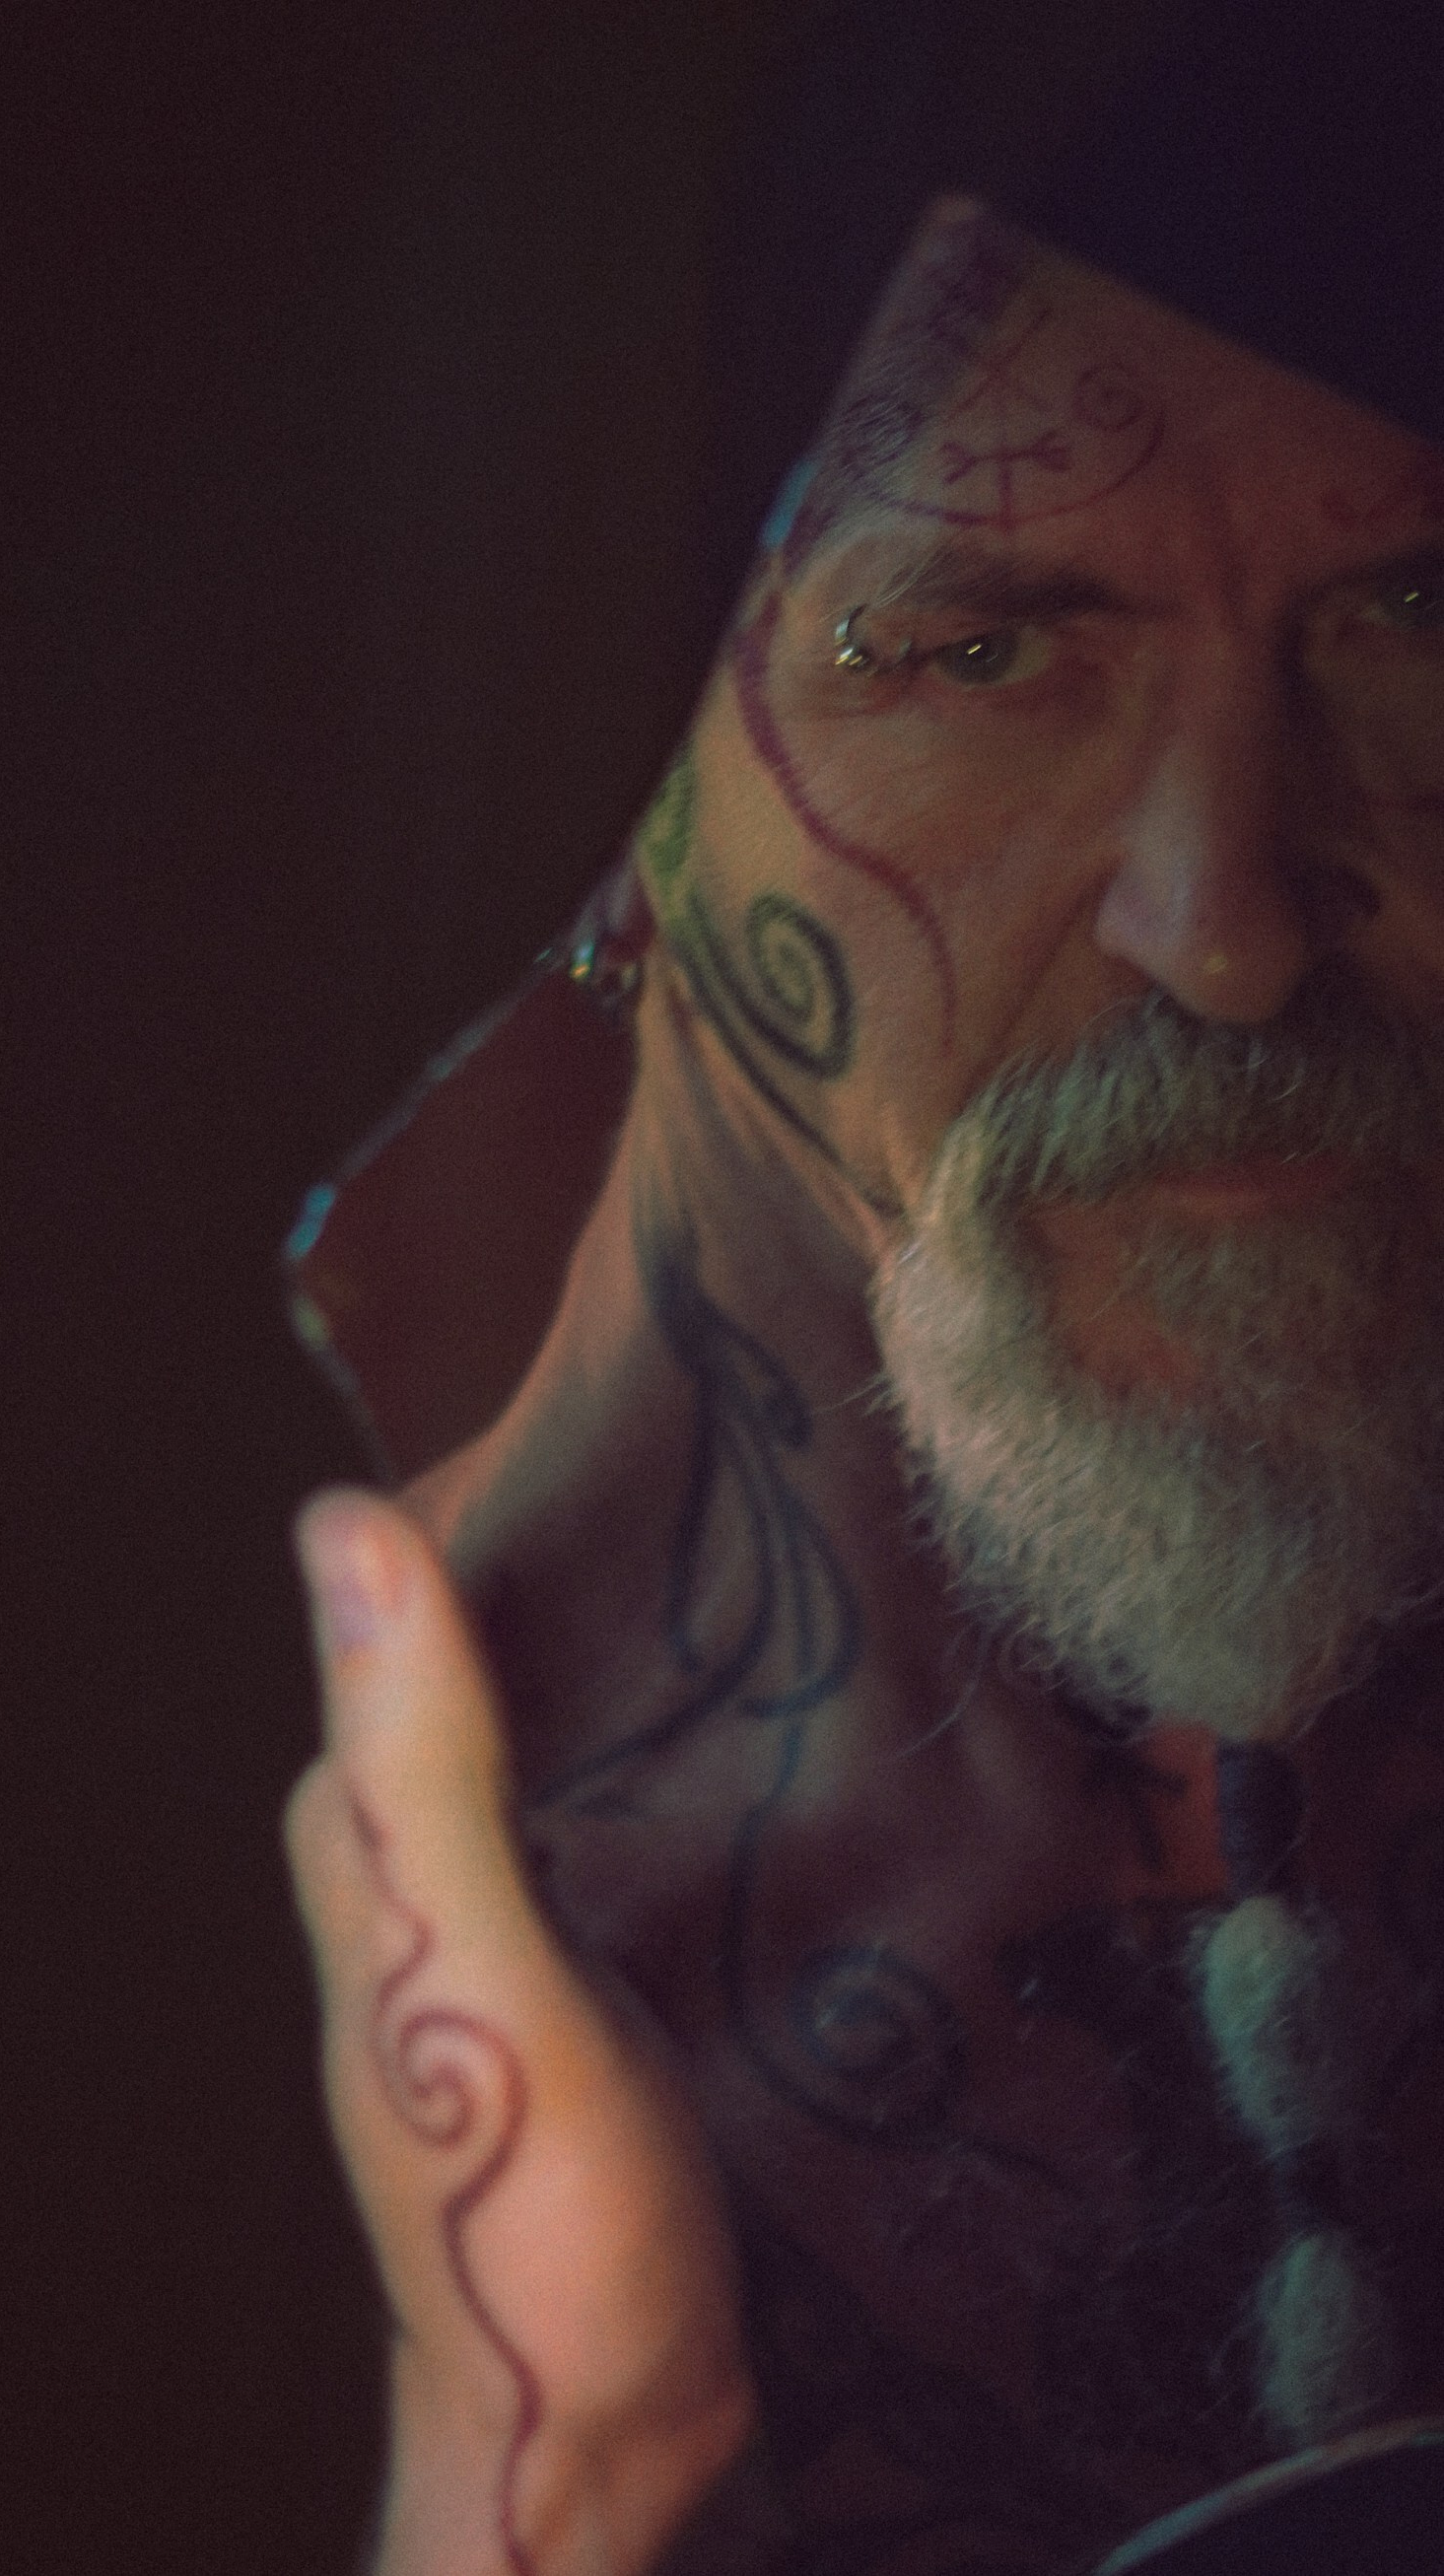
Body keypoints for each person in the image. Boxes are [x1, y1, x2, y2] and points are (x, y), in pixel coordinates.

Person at [283, 11, 1444, 2570]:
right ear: (657, 828)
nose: (1227, 925)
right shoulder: (268, 1887)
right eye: (977, 653)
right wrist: (573, 2473)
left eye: (1406, 616)